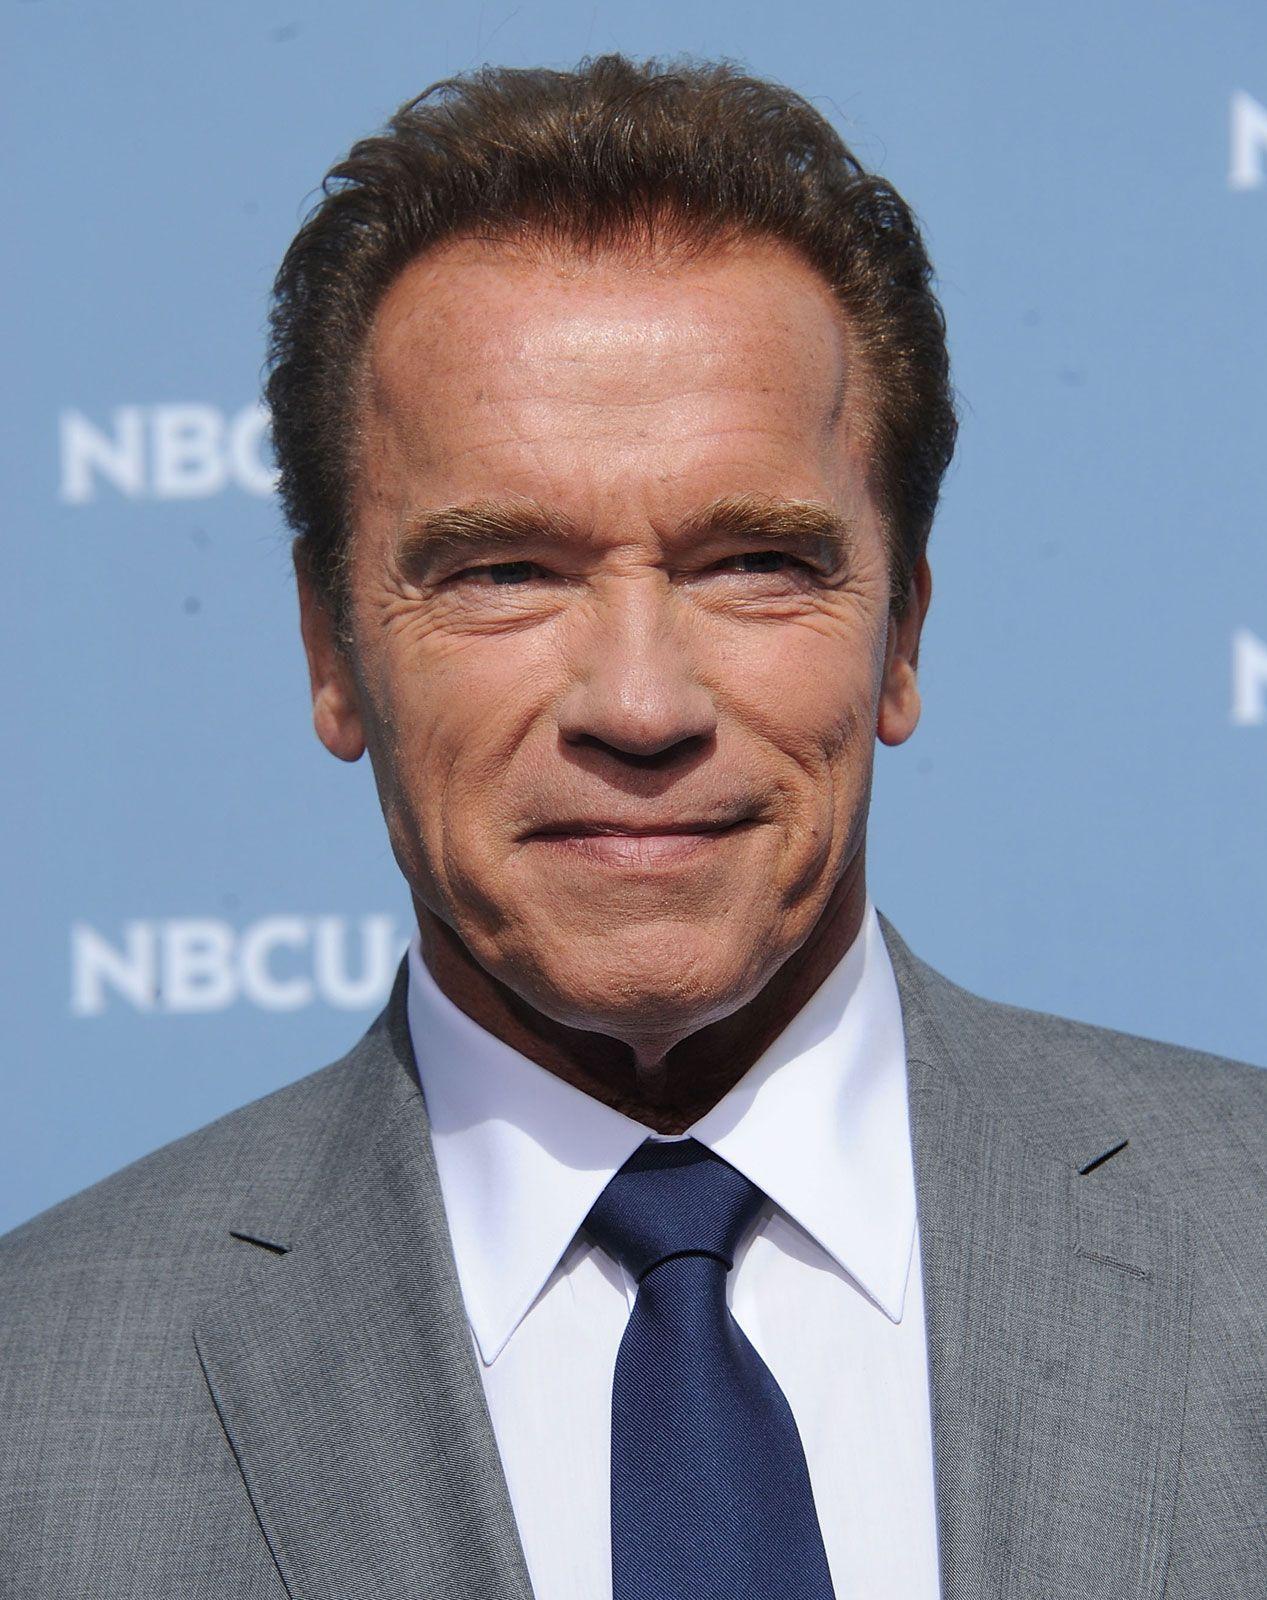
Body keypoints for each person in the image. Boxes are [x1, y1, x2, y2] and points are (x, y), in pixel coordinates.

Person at [2, 54, 1263, 1600]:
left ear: (904, 637)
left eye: (752, 564)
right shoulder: (34, 1407)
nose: (641, 703)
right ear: (331, 653)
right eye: (505, 574)